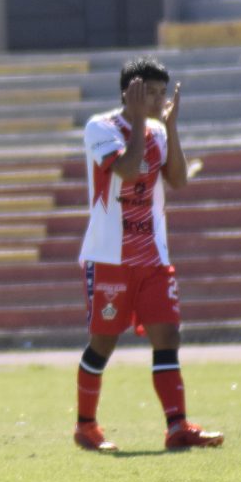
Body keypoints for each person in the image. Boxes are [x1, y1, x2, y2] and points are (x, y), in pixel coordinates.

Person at [74, 56, 223, 452]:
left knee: (167, 335)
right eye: (149, 92)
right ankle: (85, 427)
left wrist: (171, 130)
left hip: (153, 257)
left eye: (161, 92)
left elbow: (178, 180)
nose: (157, 100)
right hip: (109, 258)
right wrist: (141, 123)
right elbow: (126, 169)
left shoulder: (158, 129)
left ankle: (177, 427)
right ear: (130, 92)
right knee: (103, 343)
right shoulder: (100, 127)